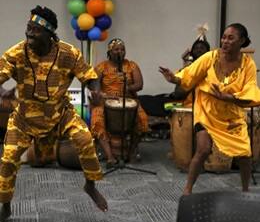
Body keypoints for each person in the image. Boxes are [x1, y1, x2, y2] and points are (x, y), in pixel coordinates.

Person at [0, 5, 108, 222]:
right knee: (8, 159)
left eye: (35, 30)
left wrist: (95, 89)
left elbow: (89, 75)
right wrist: (2, 90)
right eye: (28, 28)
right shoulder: (17, 53)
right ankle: (6, 205)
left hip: (59, 114)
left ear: (49, 34)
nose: (29, 33)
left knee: (84, 138)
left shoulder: (68, 53)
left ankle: (90, 185)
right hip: (24, 118)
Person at [159, 23, 260, 195]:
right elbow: (189, 74)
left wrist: (229, 97)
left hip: (231, 115)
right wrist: (173, 78)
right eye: (224, 37)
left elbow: (250, 89)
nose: (225, 41)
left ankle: (245, 191)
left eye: (230, 38)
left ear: (242, 41)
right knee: (203, 149)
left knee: (244, 154)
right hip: (207, 110)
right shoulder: (210, 57)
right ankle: (187, 190)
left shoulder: (248, 64)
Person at [91, 38, 148, 168]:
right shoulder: (101, 67)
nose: (120, 52)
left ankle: (131, 151)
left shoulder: (131, 65)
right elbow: (94, 84)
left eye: (122, 49)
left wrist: (129, 88)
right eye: (116, 49)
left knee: (143, 119)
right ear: (109, 52)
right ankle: (110, 156)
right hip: (106, 101)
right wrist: (100, 94)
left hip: (129, 100)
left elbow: (139, 84)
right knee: (97, 118)